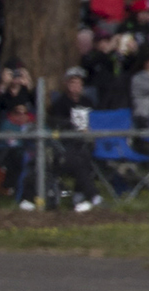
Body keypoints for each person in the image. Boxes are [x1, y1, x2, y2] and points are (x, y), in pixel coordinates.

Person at [49, 67, 100, 211]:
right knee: (81, 159)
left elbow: (97, 121)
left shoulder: (88, 102)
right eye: (72, 83)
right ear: (67, 85)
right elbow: (57, 125)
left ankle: (81, 195)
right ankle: (90, 195)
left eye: (79, 83)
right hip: (68, 144)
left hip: (89, 142)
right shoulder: (60, 104)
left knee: (83, 156)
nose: (76, 86)